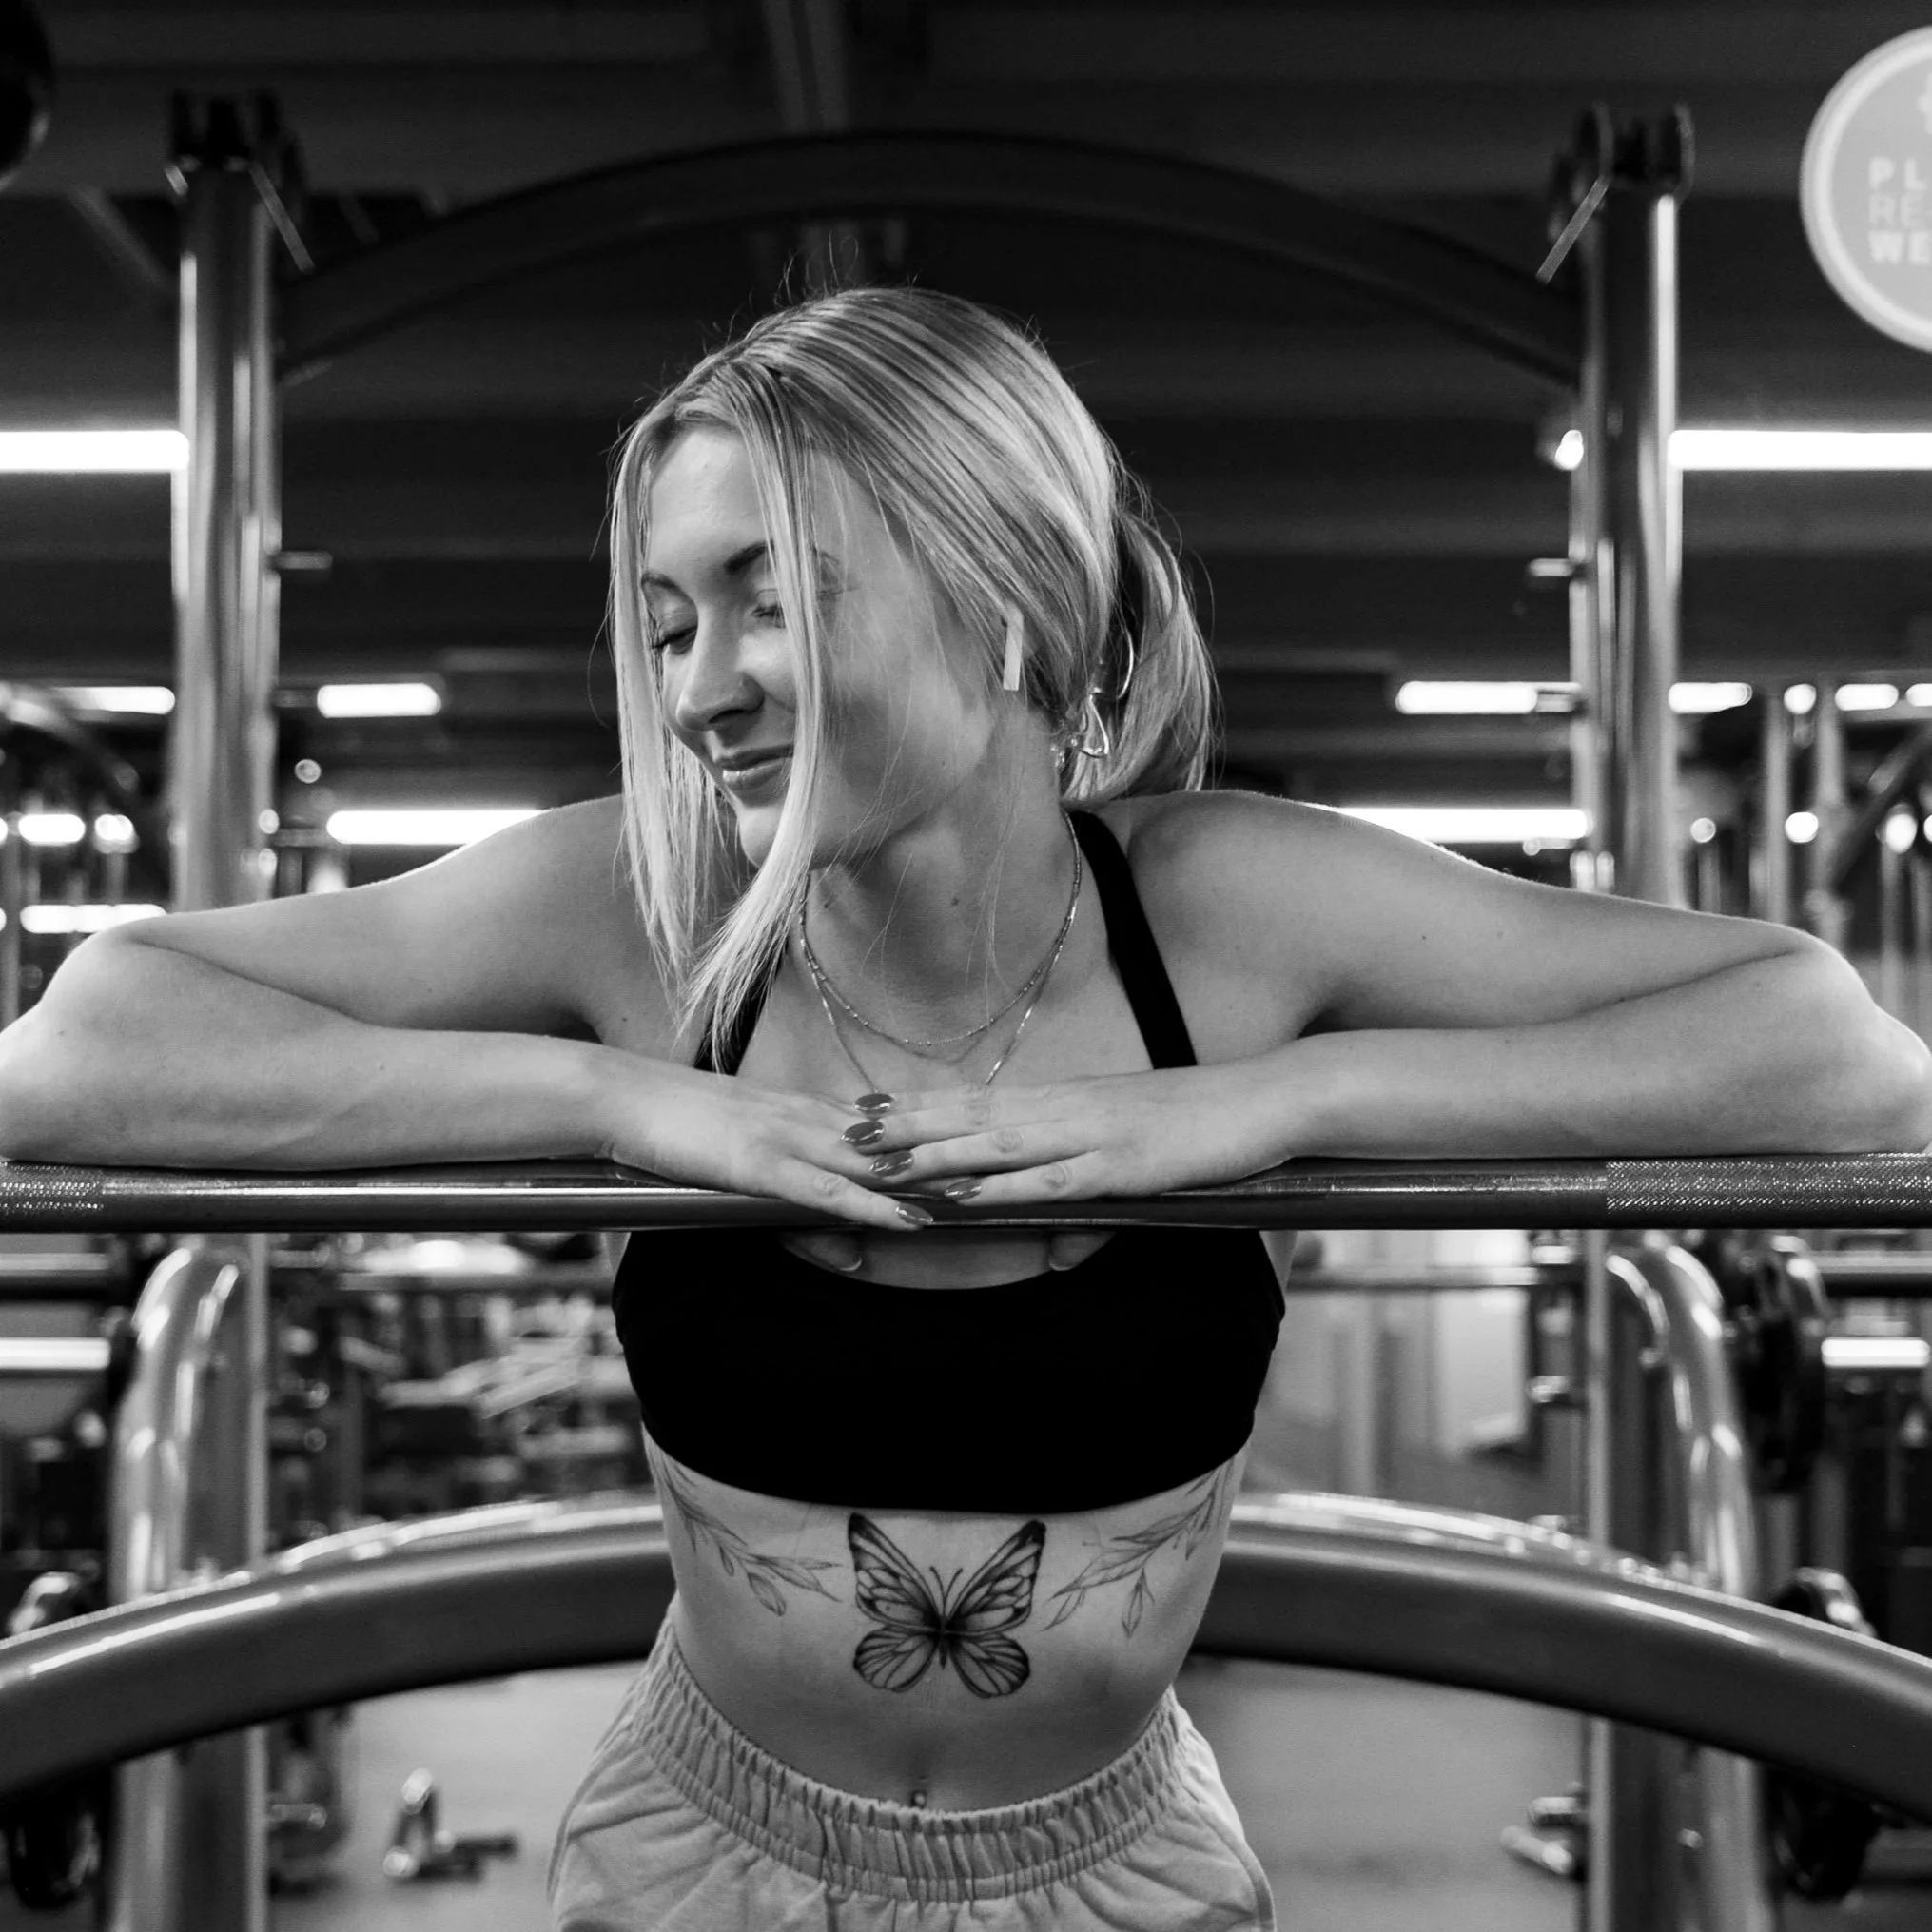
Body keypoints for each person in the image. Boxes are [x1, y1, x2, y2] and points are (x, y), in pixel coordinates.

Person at [2, 286, 1928, 1931]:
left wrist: (1273, 1105)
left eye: (773, 601)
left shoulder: (1225, 912)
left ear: (1001, 601)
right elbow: (77, 1057)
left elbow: (1836, 1060)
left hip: (1116, 1865)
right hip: (699, 1856)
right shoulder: (647, 909)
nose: (703, 690)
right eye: (667, 623)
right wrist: (618, 1100)